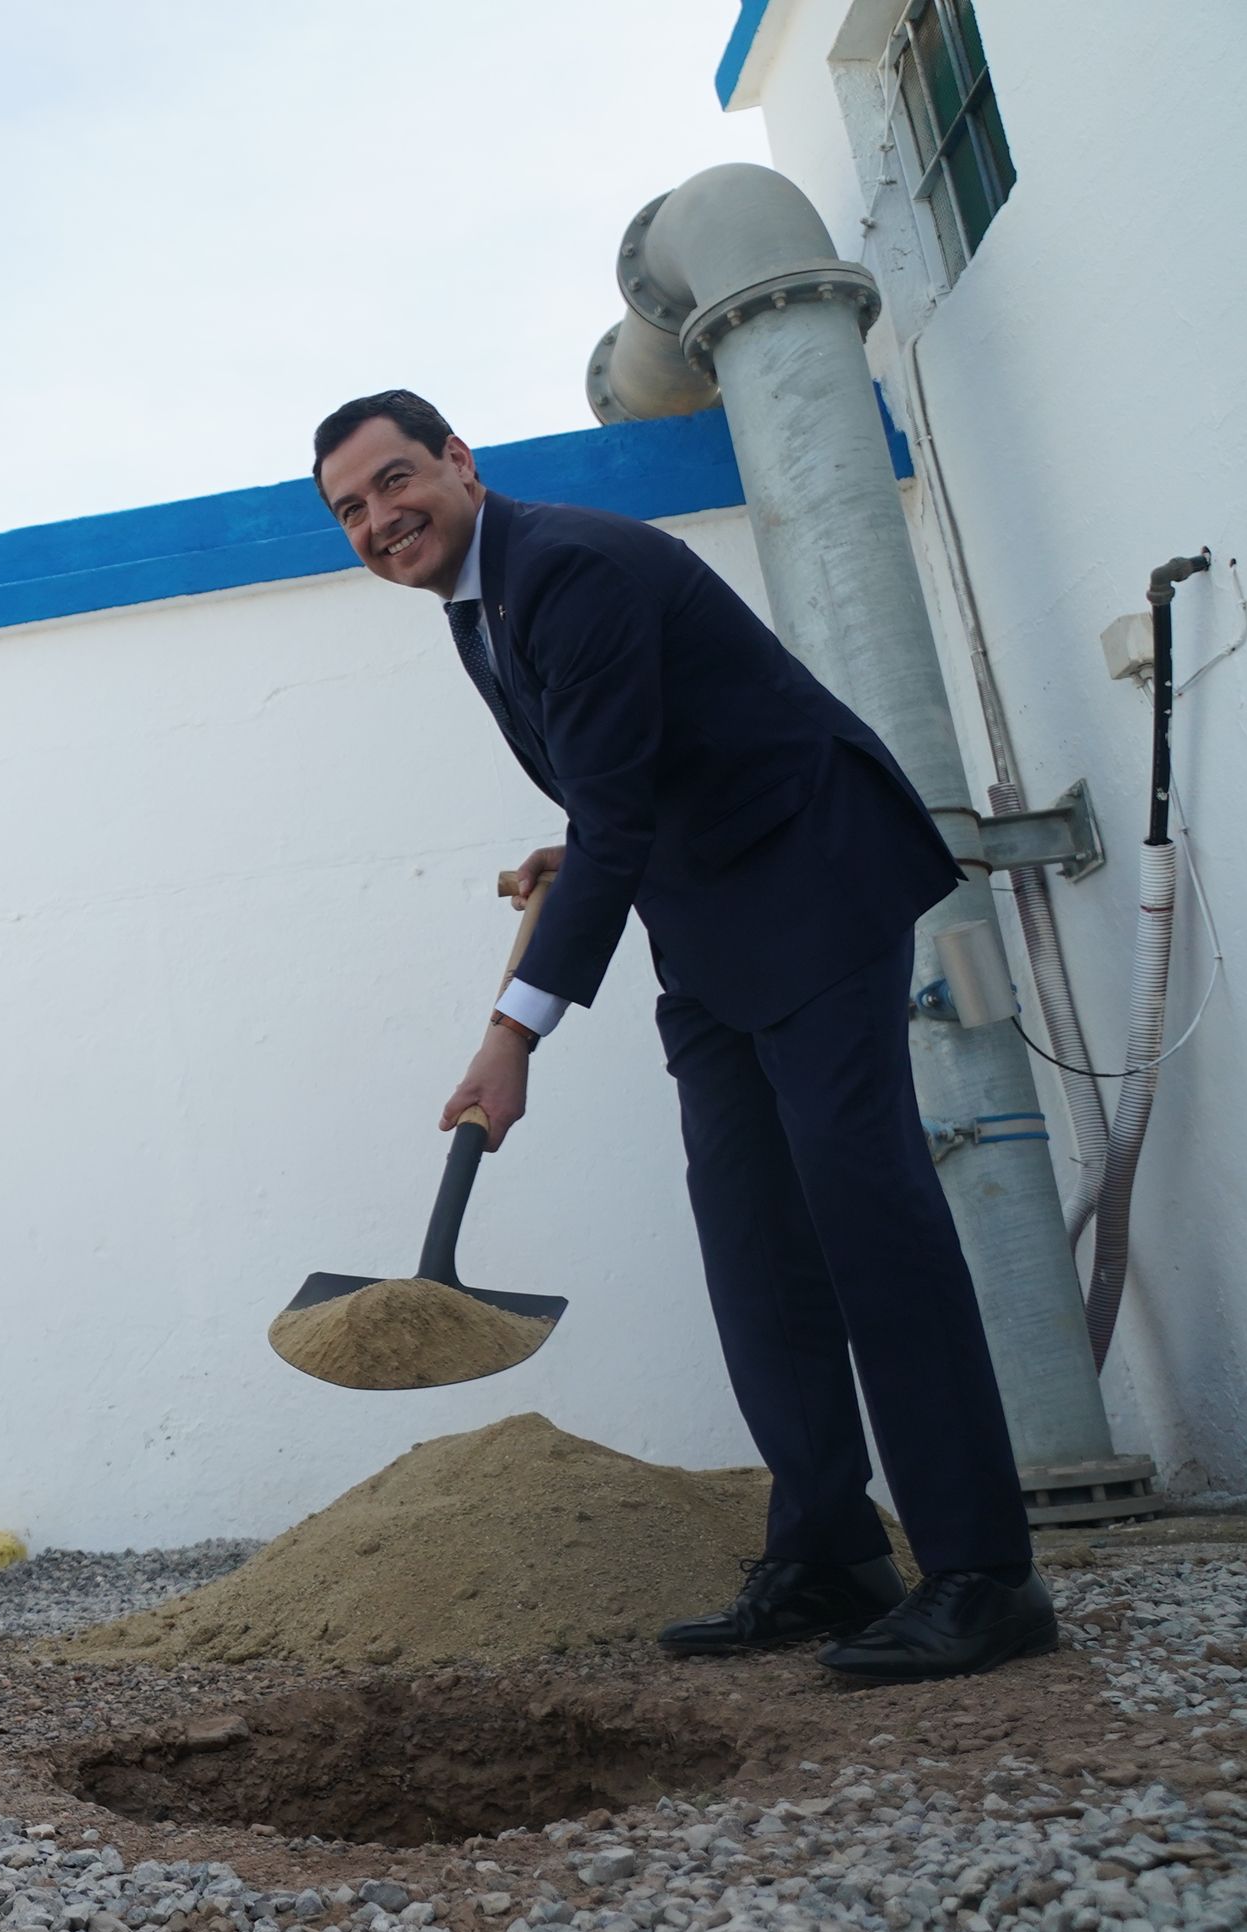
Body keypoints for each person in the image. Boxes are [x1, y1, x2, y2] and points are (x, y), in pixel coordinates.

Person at [309, 390, 1055, 1683]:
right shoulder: (480, 607)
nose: (380, 519)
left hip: (812, 877)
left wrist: (513, 1035)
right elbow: (629, 780)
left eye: (394, 481)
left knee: (868, 1220)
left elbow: (616, 805)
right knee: (754, 1238)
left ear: (462, 463)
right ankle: (829, 1550)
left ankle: (986, 1576)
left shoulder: (573, 568)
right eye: (351, 509)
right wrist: (587, 843)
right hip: (709, 912)